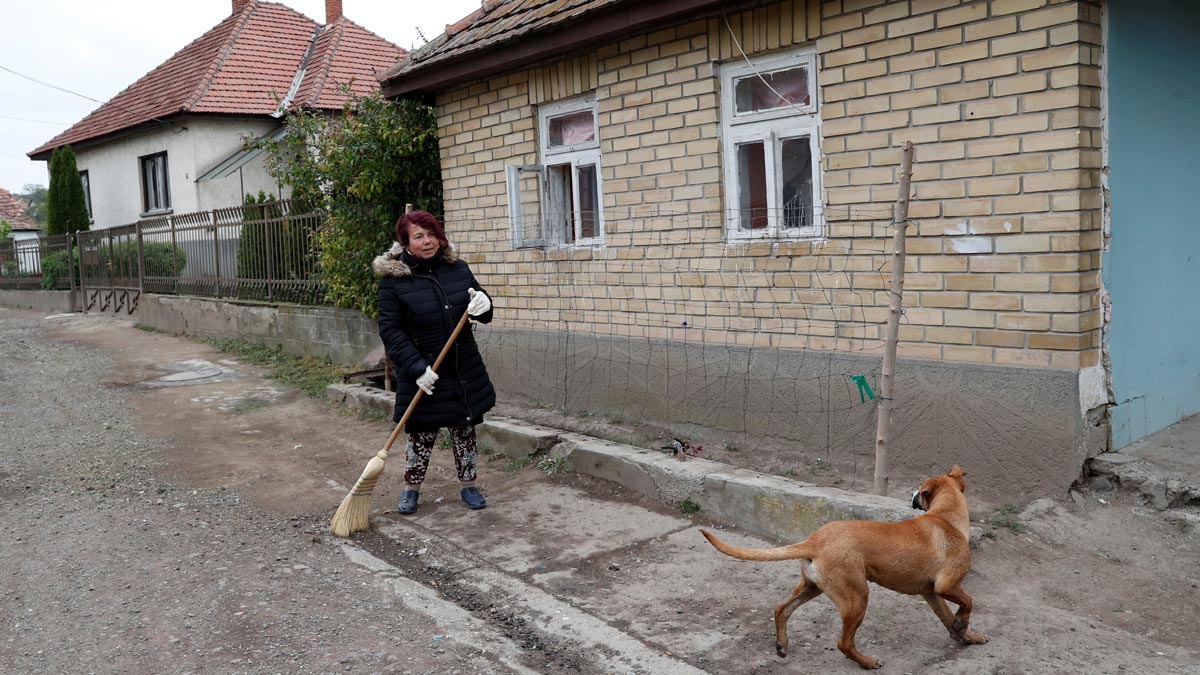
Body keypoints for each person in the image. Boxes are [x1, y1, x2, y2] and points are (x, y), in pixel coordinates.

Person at [373, 210, 496, 514]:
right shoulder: (393, 282)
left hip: (461, 366)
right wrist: (416, 368)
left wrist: (484, 303)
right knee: (421, 433)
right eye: (419, 236)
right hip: (424, 371)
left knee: (464, 428)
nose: (428, 242)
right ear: (405, 243)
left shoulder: (458, 268)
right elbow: (390, 330)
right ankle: (411, 490)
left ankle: (469, 486)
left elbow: (478, 306)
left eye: (432, 234)